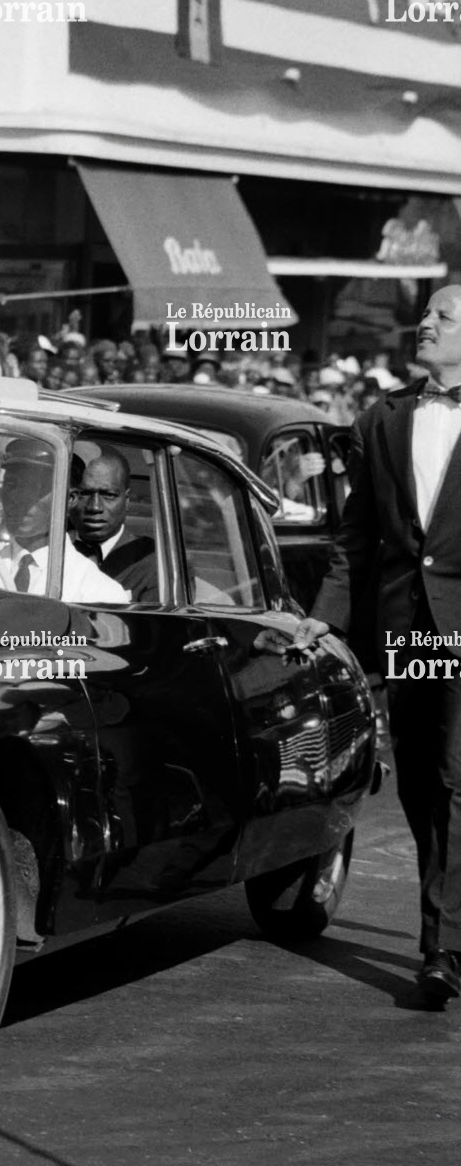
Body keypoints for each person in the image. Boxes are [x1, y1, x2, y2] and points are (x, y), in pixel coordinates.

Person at [296, 285, 461, 1006]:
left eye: (443, 317)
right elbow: (356, 537)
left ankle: (440, 947)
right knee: (423, 780)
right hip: (409, 626)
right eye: (424, 316)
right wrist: (325, 618)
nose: (423, 325)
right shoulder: (383, 416)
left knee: (456, 777)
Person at [0, 438, 130, 604]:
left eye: (36, 487)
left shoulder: (98, 593)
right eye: (11, 484)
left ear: (70, 498)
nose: (18, 497)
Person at [67, 447, 157, 600]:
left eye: (108, 495)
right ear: (70, 497)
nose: (95, 507)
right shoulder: (50, 550)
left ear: (127, 500)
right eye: (84, 494)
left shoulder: (154, 562)